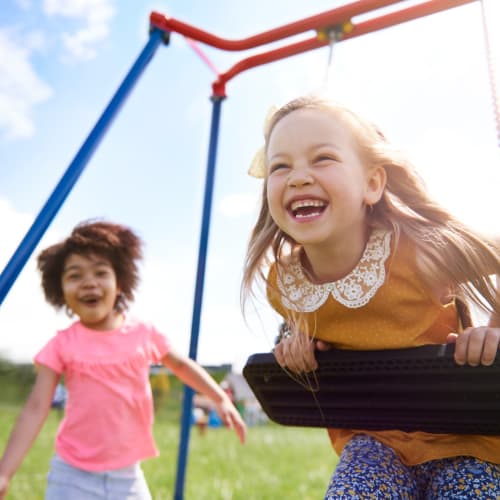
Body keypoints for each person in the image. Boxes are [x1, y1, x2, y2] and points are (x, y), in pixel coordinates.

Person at [241, 94, 500, 498]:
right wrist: (296, 346)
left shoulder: (418, 253)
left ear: (373, 183)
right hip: (373, 441)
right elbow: (313, 325)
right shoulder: (285, 283)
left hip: (466, 438)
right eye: (280, 166)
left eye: (322, 158)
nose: (298, 177)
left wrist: (495, 331)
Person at [0, 220, 246, 500]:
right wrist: (4, 472)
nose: (89, 282)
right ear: (61, 291)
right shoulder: (61, 344)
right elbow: (35, 407)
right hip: (71, 474)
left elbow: (181, 365)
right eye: (75, 275)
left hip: (127, 477)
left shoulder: (143, 334)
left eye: (100, 272)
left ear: (119, 284)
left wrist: (219, 397)